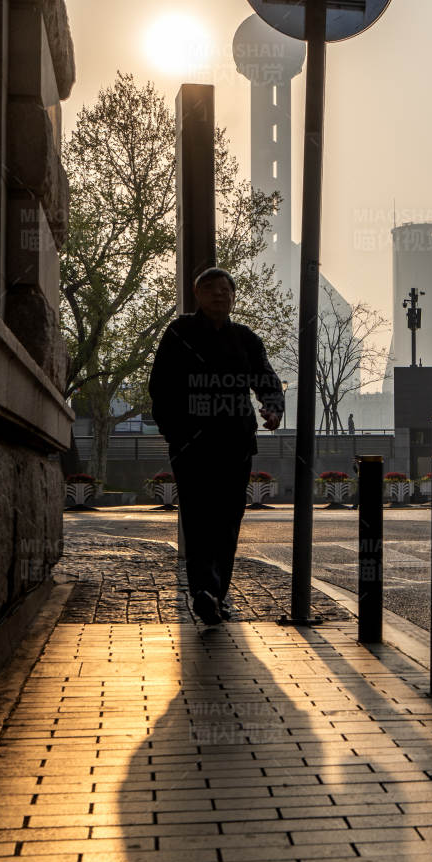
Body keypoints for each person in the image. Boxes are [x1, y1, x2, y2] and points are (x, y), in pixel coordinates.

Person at [148, 267, 284, 625]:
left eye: (226, 290)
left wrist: (272, 406)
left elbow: (267, 378)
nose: (220, 295)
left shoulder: (246, 339)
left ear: (233, 296)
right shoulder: (179, 334)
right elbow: (159, 388)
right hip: (191, 446)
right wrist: (173, 433)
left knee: (228, 519)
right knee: (198, 517)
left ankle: (216, 594)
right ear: (197, 295)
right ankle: (203, 591)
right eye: (211, 290)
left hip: (236, 444)